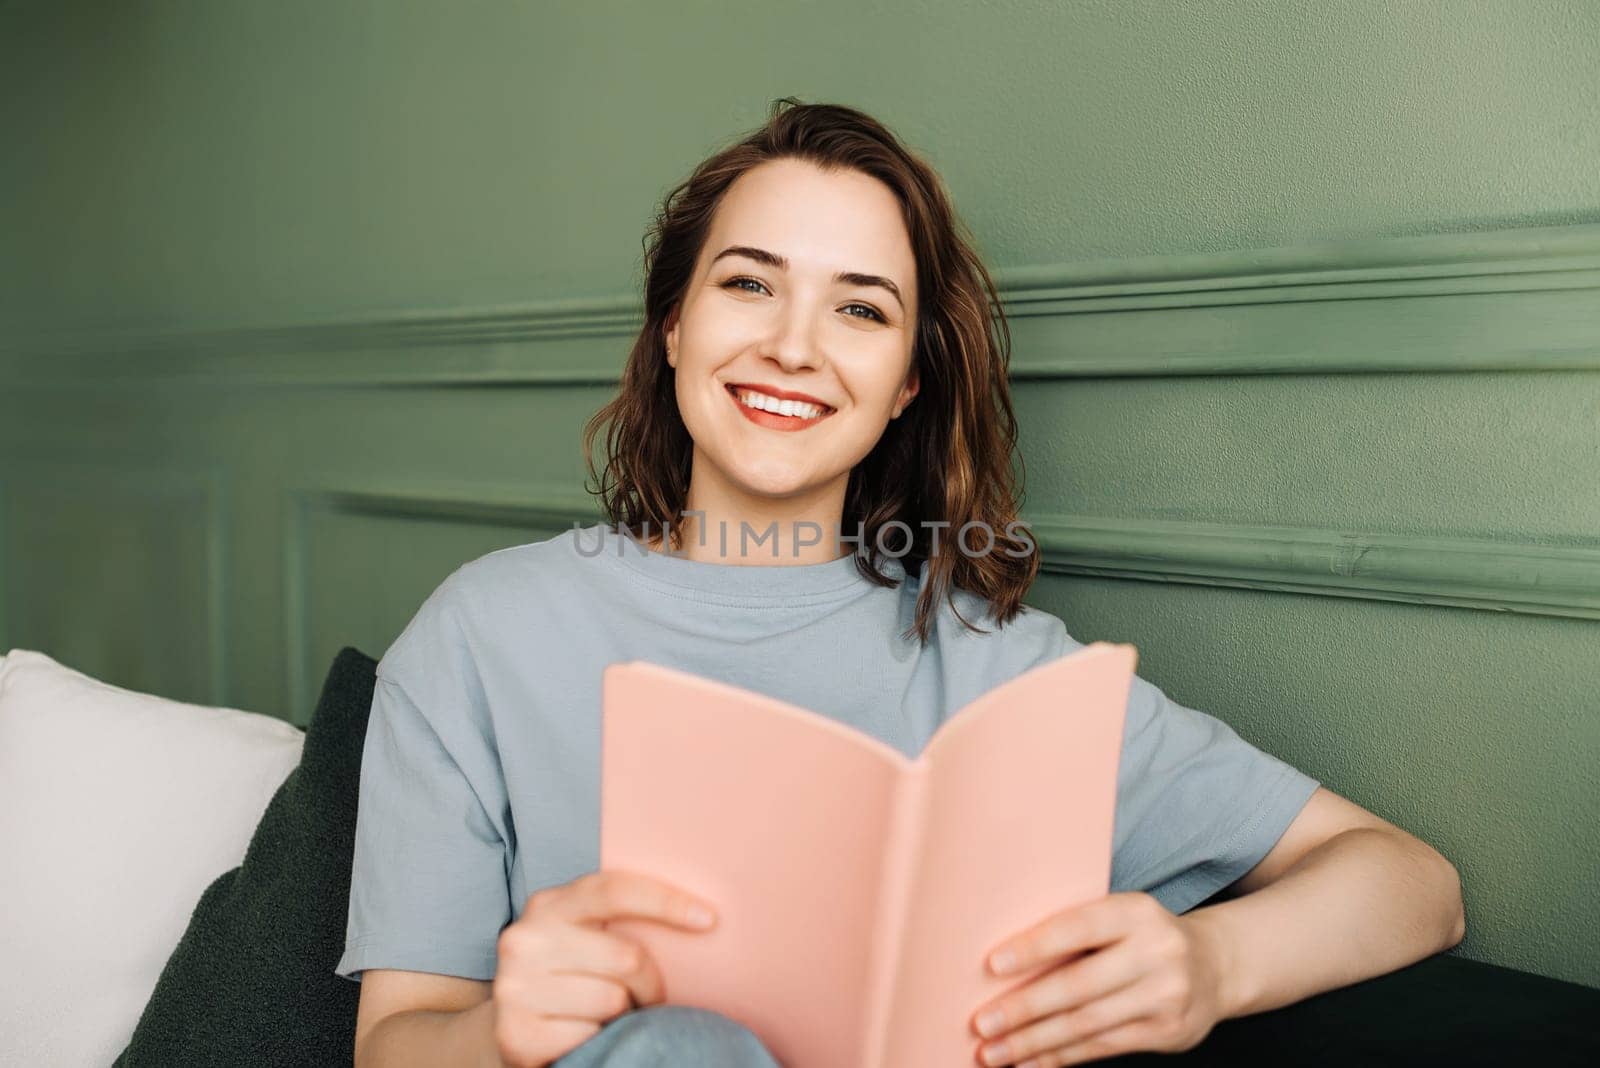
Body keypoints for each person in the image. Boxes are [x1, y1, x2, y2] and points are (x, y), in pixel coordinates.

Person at [338, 98, 1465, 1068]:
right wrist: (501, 1036)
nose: (793, 345)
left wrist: (1212, 964)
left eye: (860, 308)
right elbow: (399, 1037)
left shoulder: (999, 671)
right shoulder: (483, 633)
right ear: (674, 325)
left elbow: (1411, 883)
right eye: (748, 284)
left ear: (906, 384)